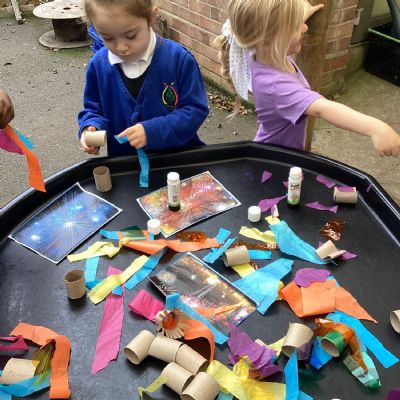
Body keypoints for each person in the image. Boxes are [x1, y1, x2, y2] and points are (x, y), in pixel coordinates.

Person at [215, 0, 400, 156]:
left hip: (279, 150)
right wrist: (375, 128)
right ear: (269, 39)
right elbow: (323, 109)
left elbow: (274, 26)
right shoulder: (276, 85)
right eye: (296, 25)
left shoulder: (262, 51)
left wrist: (301, 14)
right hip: (276, 159)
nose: (305, 27)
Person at [78, 0, 209, 157]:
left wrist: (153, 131)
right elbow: (93, 109)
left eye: (131, 36)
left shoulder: (179, 60)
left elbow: (194, 110)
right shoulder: (98, 66)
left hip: (178, 160)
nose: (121, 47)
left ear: (150, 16)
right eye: (108, 38)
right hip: (126, 164)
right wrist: (91, 127)